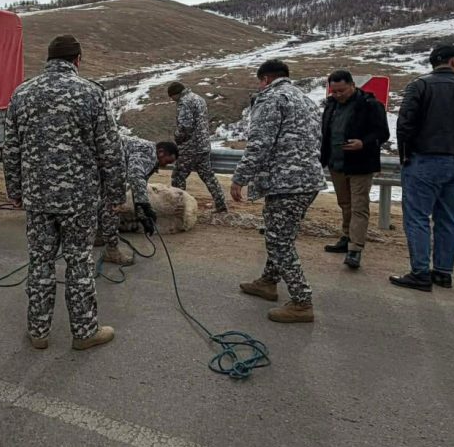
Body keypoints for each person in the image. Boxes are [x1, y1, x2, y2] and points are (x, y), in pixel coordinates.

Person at [4, 34, 125, 351]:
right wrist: (115, 195)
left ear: (48, 59)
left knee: (40, 262)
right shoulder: (91, 93)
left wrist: (14, 190)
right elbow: (110, 150)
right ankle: (84, 333)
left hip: (38, 198)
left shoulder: (23, 93)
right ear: (78, 59)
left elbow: (11, 148)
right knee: (79, 263)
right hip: (79, 199)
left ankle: (38, 332)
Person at [230, 59, 324, 324]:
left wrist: (240, 178)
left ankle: (302, 302)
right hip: (307, 180)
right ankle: (268, 281)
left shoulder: (271, 98)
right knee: (281, 234)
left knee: (279, 241)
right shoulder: (304, 99)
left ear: (265, 79)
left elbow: (260, 143)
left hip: (286, 183)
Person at [390, 44, 454, 292]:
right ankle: (443, 272)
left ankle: (420, 272)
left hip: (423, 159)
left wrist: (405, 154)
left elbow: (405, 124)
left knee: (417, 217)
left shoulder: (420, 85)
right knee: (448, 217)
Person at [320, 70, 391, 270]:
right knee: (345, 204)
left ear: (352, 85)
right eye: (334, 91)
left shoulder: (370, 105)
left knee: (359, 206)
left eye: (341, 90)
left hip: (361, 164)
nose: (337, 95)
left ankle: (355, 249)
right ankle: (347, 236)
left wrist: (364, 143)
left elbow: (382, 133)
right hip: (336, 163)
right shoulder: (331, 105)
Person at [98, 138, 178, 264]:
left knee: (101, 199)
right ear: (161, 152)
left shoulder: (146, 151)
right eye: (167, 161)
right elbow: (135, 175)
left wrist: (143, 216)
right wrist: (145, 205)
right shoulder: (149, 153)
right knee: (114, 204)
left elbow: (138, 188)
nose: (165, 165)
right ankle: (111, 250)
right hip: (105, 167)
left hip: (101, 167)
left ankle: (99, 236)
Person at [167, 82, 228, 213]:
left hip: (190, 147)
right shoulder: (198, 98)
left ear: (175, 94)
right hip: (203, 145)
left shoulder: (184, 102)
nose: (172, 100)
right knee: (208, 176)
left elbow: (185, 126)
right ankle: (221, 205)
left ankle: (180, 208)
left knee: (178, 177)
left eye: (171, 97)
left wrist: (177, 137)